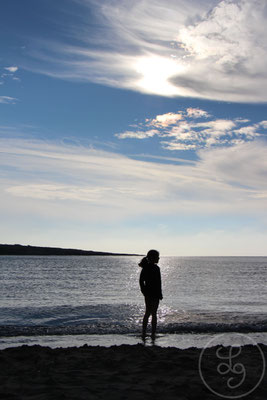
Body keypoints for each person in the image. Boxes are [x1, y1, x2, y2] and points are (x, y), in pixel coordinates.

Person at [139, 249, 163, 339]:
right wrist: (143, 290)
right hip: (150, 293)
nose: (159, 258)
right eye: (157, 257)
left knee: (150, 313)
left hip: (153, 293)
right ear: (153, 258)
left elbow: (158, 282)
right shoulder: (149, 268)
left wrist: (159, 293)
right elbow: (141, 280)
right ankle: (148, 332)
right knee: (151, 313)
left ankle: (149, 332)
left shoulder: (154, 268)